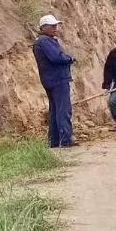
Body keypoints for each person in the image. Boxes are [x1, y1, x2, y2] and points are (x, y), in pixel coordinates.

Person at [33, 14, 77, 148]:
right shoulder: (45, 41)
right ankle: (66, 139)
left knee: (55, 111)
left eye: (55, 25)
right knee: (63, 110)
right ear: (43, 27)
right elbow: (56, 58)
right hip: (58, 79)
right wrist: (69, 58)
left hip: (49, 80)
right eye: (52, 26)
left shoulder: (40, 41)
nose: (55, 28)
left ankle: (54, 141)